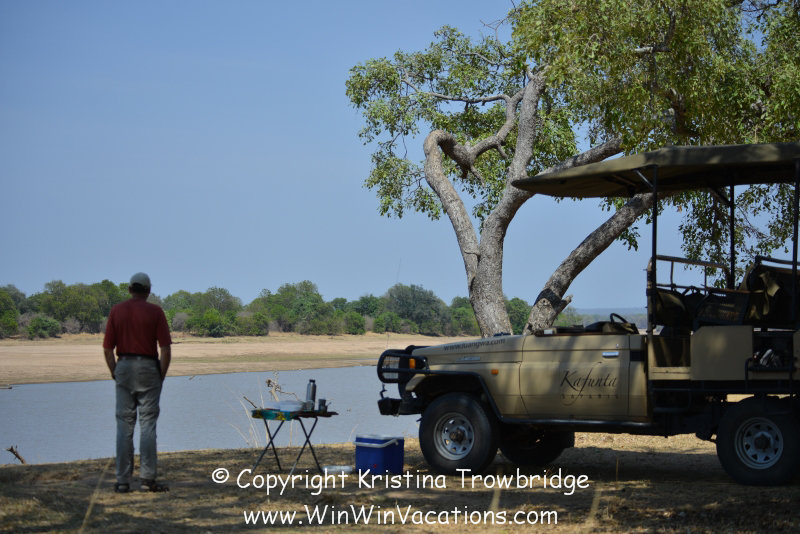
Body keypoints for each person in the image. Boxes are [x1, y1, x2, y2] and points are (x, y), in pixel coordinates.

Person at [103, 272, 172, 493]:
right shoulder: (156, 311)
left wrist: (115, 373)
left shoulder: (117, 310)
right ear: (149, 290)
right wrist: (160, 376)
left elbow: (108, 349)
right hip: (149, 367)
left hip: (123, 366)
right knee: (147, 425)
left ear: (130, 289)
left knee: (124, 425)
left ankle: (123, 481)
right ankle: (147, 479)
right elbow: (165, 349)